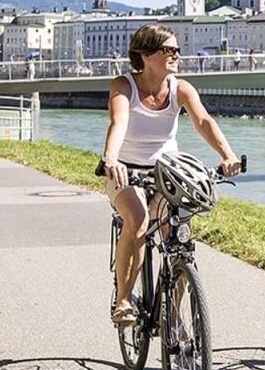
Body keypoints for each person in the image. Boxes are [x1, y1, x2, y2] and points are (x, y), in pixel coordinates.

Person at [101, 24, 242, 325]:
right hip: (126, 172)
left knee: (180, 243)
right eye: (169, 49)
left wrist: (227, 155)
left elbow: (203, 121)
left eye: (178, 49)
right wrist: (111, 158)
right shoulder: (124, 86)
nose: (177, 54)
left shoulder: (181, 88)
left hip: (168, 174)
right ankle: (124, 300)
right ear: (146, 54)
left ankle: (174, 314)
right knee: (137, 220)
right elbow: (119, 122)